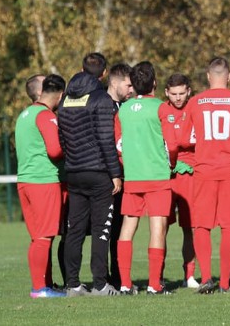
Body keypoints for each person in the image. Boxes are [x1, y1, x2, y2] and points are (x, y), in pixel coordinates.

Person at [180, 57, 230, 294]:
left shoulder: (195, 102)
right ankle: (224, 283)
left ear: (208, 76)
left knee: (202, 226)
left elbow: (184, 139)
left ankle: (206, 278)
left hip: (204, 171)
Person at [57, 52, 122, 296]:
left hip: (74, 172)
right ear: (104, 74)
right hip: (98, 173)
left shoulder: (65, 100)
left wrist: (73, 160)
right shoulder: (101, 100)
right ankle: (100, 284)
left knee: (74, 230)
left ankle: (72, 284)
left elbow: (62, 138)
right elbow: (107, 140)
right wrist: (115, 173)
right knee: (100, 229)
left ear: (82, 69)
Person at [114, 61, 178, 295]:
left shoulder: (123, 110)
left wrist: (129, 163)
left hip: (133, 178)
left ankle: (124, 283)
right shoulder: (162, 108)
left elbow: (118, 145)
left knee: (127, 228)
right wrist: (170, 163)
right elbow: (171, 145)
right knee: (157, 228)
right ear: (155, 83)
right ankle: (153, 284)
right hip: (157, 177)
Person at [16, 74, 67, 298]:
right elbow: (55, 151)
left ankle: (43, 284)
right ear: (61, 95)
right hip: (43, 181)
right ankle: (40, 290)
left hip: (25, 181)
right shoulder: (46, 116)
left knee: (38, 237)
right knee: (45, 236)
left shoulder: (24, 115)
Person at [162, 73, 200, 288]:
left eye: (182, 93)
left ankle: (190, 275)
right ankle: (157, 275)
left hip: (189, 175)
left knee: (190, 227)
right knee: (161, 228)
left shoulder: (194, 109)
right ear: (167, 92)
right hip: (167, 174)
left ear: (188, 91)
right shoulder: (161, 110)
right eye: (174, 94)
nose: (178, 98)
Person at [105, 62, 133, 289]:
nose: (131, 89)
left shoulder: (123, 108)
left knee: (116, 229)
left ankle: (115, 277)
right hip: (108, 177)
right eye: (128, 84)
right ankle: (105, 278)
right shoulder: (105, 107)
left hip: (119, 176)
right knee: (106, 230)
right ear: (115, 83)